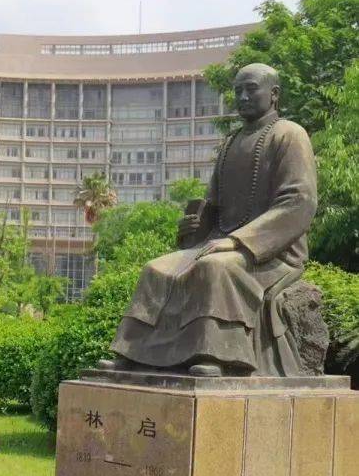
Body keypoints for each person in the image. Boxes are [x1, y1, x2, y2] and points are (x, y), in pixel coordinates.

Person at [101, 63, 317, 378]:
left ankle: (217, 354)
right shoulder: (230, 143)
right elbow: (213, 206)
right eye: (238, 91)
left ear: (274, 94)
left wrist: (238, 241)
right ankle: (134, 353)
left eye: (251, 89)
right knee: (155, 269)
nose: (243, 97)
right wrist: (194, 228)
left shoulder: (290, 134)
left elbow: (299, 201)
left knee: (215, 268)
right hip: (218, 241)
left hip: (271, 252)